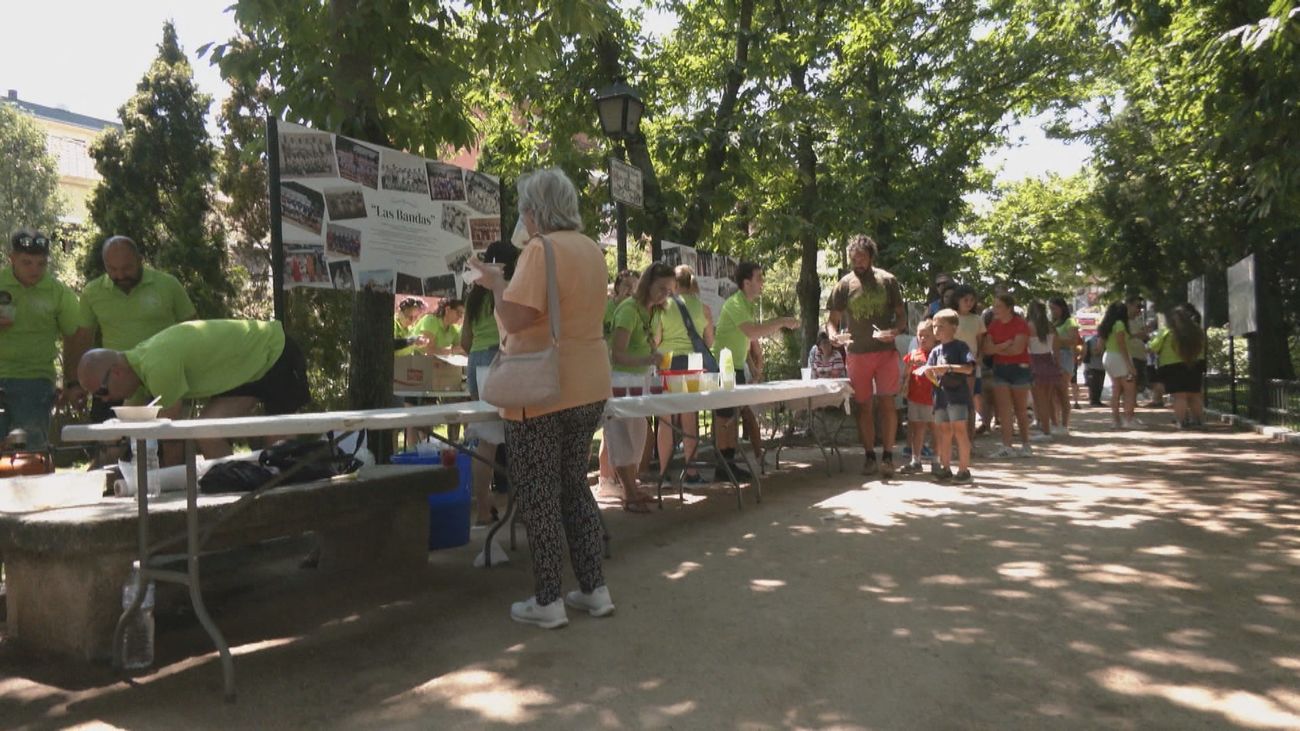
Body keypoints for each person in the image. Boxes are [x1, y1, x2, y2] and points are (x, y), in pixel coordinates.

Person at [467, 168, 614, 629]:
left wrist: (493, 284)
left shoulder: (540, 249)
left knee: (539, 496)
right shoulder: (591, 249)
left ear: (535, 211)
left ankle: (548, 599)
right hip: (589, 382)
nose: (523, 217)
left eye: (525, 208)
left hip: (542, 388)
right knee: (574, 487)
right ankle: (594, 589)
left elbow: (513, 320)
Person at [76, 319, 310, 459]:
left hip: (275, 351)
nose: (104, 401)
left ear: (116, 372)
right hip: (243, 369)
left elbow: (171, 437)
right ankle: (232, 495)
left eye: (101, 392)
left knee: (279, 447)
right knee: (206, 432)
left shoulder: (157, 365)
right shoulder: (137, 365)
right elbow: (127, 427)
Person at [826, 234, 907, 477]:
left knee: (887, 403)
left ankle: (888, 456)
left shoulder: (888, 280)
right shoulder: (844, 284)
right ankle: (870, 456)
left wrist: (895, 330)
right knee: (863, 406)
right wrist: (832, 336)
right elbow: (832, 321)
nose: (857, 262)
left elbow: (902, 316)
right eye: (853, 258)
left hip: (885, 352)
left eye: (861, 257)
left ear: (871, 256)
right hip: (857, 353)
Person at [712, 262, 799, 480]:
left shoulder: (746, 305)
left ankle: (728, 464)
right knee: (725, 418)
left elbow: (745, 338)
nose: (763, 283)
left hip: (736, 367)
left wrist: (751, 365)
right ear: (746, 282)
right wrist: (782, 321)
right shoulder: (735, 304)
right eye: (759, 278)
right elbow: (753, 331)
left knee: (732, 417)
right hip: (724, 368)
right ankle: (723, 466)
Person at [0, 229, 82, 450]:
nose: (34, 270)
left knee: (31, 452)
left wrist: (71, 382)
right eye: (26, 262)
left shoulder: (59, 293)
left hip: (35, 381)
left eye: (41, 263)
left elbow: (73, 337)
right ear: (12, 258)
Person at [461, 241, 519, 525]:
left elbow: (464, 341)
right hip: (499, 360)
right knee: (517, 436)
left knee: (485, 441)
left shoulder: (474, 293)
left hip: (475, 363)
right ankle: (523, 508)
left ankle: (483, 509)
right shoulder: (508, 287)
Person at [608, 263, 674, 510]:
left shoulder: (653, 311)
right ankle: (628, 493)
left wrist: (654, 356)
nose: (664, 295)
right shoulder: (628, 310)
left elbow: (647, 343)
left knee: (637, 434)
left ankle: (633, 488)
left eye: (669, 290)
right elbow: (618, 355)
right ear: (647, 283)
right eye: (661, 288)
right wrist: (647, 358)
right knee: (621, 436)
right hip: (622, 381)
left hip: (642, 379)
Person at [655, 265, 714, 485]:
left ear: (675, 284)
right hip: (693, 364)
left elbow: (657, 340)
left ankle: (663, 474)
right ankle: (692, 472)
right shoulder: (704, 308)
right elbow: (709, 342)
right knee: (690, 418)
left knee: (666, 419)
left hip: (668, 363)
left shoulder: (663, 307)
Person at [926, 309, 977, 482]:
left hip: (958, 396)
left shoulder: (960, 346)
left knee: (960, 431)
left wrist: (949, 368)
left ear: (954, 327)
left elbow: (969, 368)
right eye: (934, 326)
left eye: (941, 326)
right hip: (940, 397)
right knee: (944, 432)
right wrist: (930, 375)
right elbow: (931, 374)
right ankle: (945, 467)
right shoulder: (935, 351)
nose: (936, 330)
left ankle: (964, 470)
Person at [984, 293, 1034, 458]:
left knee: (1020, 409)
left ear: (1009, 308)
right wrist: (1005, 345)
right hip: (1000, 369)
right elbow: (987, 349)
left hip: (1019, 369)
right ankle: (1007, 446)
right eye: (994, 306)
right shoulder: (993, 324)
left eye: (998, 306)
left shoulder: (1020, 324)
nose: (994, 309)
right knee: (1004, 410)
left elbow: (1018, 349)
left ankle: (1026, 444)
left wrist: (997, 347)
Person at [1152, 303, 1206, 428]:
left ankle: (1181, 422)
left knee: (1179, 396)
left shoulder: (1167, 332)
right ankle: (1199, 421)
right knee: (1195, 394)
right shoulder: (1197, 331)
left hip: (1172, 366)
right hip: (1195, 364)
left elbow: (1153, 347)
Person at [899, 320, 936, 475]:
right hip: (915, 397)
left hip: (932, 399)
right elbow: (905, 375)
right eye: (920, 335)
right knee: (917, 428)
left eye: (927, 335)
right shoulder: (914, 354)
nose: (923, 338)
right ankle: (916, 460)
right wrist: (909, 367)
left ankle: (938, 460)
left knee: (936, 429)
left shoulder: (937, 354)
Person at [1098, 301, 1140, 428]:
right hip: (1119, 358)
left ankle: (1116, 420)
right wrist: (1130, 365)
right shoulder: (1120, 324)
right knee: (1129, 390)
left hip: (1108, 357)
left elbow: (1099, 346)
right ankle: (1129, 419)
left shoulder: (1105, 326)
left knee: (1116, 389)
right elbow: (1122, 345)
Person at [951, 284, 985, 437]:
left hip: (970, 365)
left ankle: (969, 439)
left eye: (972, 300)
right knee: (952, 402)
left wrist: (979, 357)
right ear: (957, 300)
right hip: (951, 364)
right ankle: (953, 441)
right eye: (965, 299)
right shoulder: (949, 317)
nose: (969, 303)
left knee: (968, 402)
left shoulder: (977, 319)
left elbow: (980, 341)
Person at [1025, 300, 1059, 440]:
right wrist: (1058, 366)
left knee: (1039, 400)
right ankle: (1047, 426)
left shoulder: (1029, 326)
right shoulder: (1051, 326)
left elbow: (1025, 348)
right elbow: (1056, 351)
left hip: (1035, 362)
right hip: (1049, 362)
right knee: (1047, 398)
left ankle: (1046, 431)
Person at [1049, 297, 1079, 429]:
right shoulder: (1053, 323)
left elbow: (1074, 340)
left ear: (1062, 308)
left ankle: (1064, 424)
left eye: (1054, 308)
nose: (1052, 311)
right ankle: (1055, 422)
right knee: (1053, 393)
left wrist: (1057, 340)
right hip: (1053, 357)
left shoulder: (1070, 322)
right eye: (1050, 309)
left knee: (1062, 391)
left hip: (1065, 357)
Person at [1084, 331, 1106, 406]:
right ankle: (1093, 401)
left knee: (1099, 385)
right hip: (1092, 366)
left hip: (1101, 366)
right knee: (1094, 385)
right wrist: (1101, 349)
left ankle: (1097, 401)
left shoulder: (1103, 340)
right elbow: (1094, 353)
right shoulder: (1091, 341)